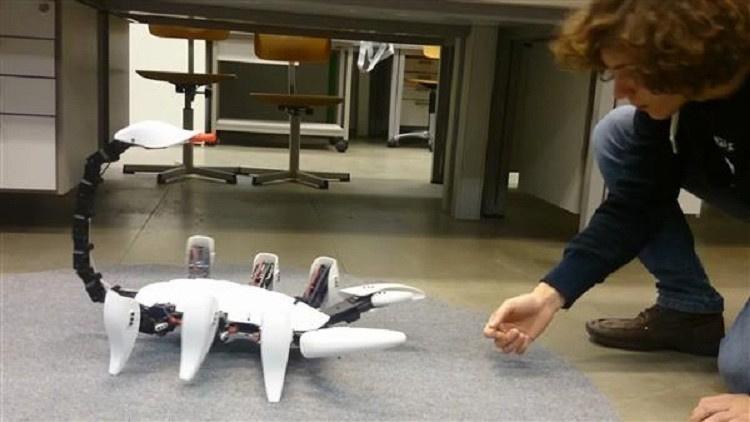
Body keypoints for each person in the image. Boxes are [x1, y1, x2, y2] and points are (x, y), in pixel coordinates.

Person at [482, 0, 750, 420]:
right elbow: (636, 202)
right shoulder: (683, 93)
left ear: (685, 53)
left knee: (743, 370)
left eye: (630, 71)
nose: (620, 90)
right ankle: (688, 311)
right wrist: (549, 295)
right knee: (618, 130)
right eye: (614, 73)